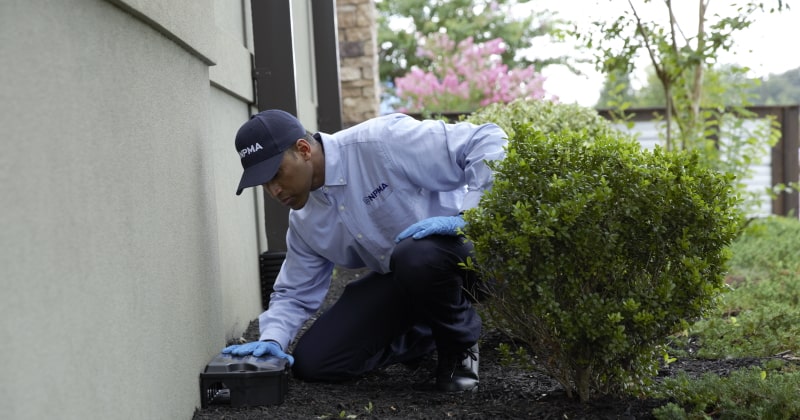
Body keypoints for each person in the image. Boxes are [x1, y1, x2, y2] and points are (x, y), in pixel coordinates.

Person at [223, 109, 507, 392]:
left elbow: (487, 139)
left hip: (464, 259)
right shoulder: (304, 221)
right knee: (315, 362)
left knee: (416, 256)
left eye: (276, 174)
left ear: (303, 149)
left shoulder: (381, 142)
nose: (274, 191)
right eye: (264, 184)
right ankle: (429, 333)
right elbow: (295, 293)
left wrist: (469, 217)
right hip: (409, 279)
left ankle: (459, 347)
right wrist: (273, 340)